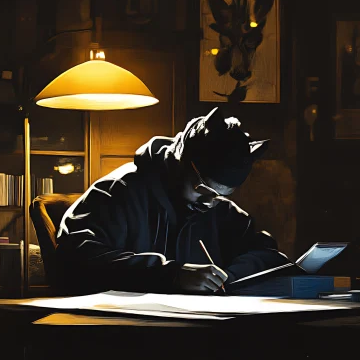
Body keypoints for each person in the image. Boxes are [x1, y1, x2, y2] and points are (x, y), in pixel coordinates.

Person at [55, 107, 290, 295]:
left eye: (220, 196)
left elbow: (267, 253)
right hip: (120, 330)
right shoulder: (119, 192)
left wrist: (232, 276)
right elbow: (74, 255)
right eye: (202, 189)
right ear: (180, 163)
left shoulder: (219, 210)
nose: (209, 203)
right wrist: (170, 275)